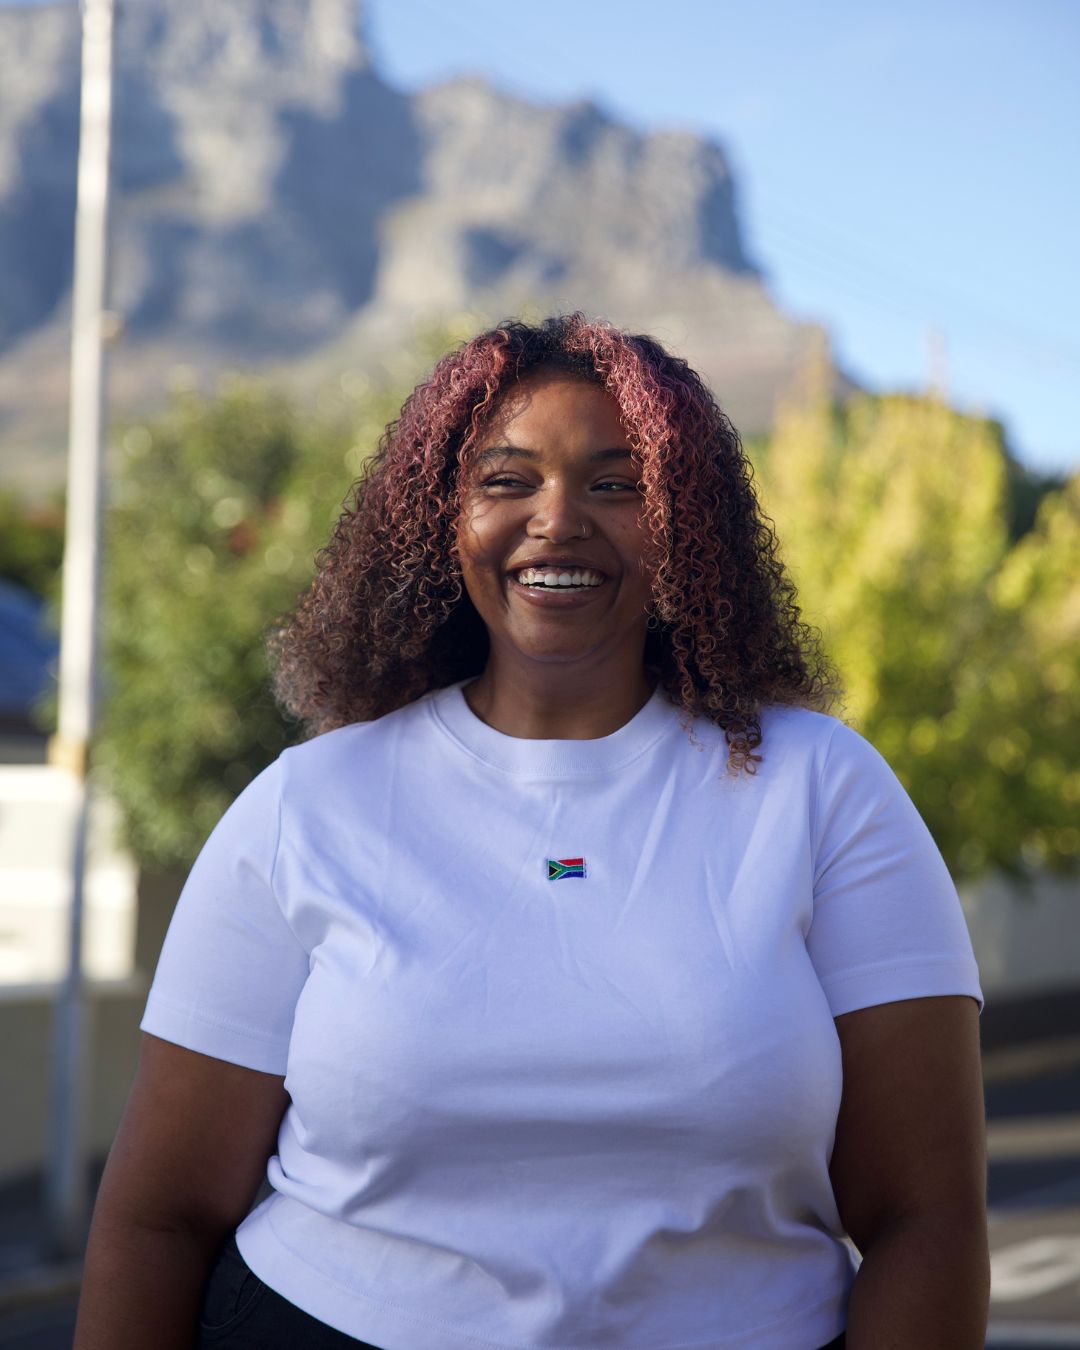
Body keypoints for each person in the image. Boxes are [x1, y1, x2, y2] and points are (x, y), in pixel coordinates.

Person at [74, 314, 989, 1350]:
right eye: (506, 481)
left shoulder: (824, 792)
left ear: (686, 523)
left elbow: (928, 1219)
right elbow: (159, 1217)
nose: (557, 521)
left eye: (616, 483)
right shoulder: (308, 805)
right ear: (440, 520)